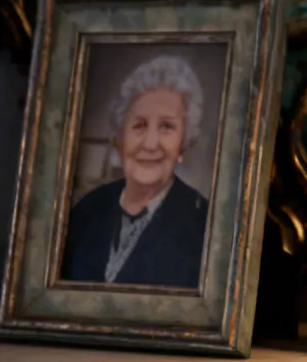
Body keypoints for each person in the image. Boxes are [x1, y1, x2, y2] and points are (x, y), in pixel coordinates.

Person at [60, 55, 211, 288]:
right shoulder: (87, 210)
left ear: (184, 143)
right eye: (139, 125)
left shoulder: (204, 226)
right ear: (120, 138)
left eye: (167, 127)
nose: (150, 144)